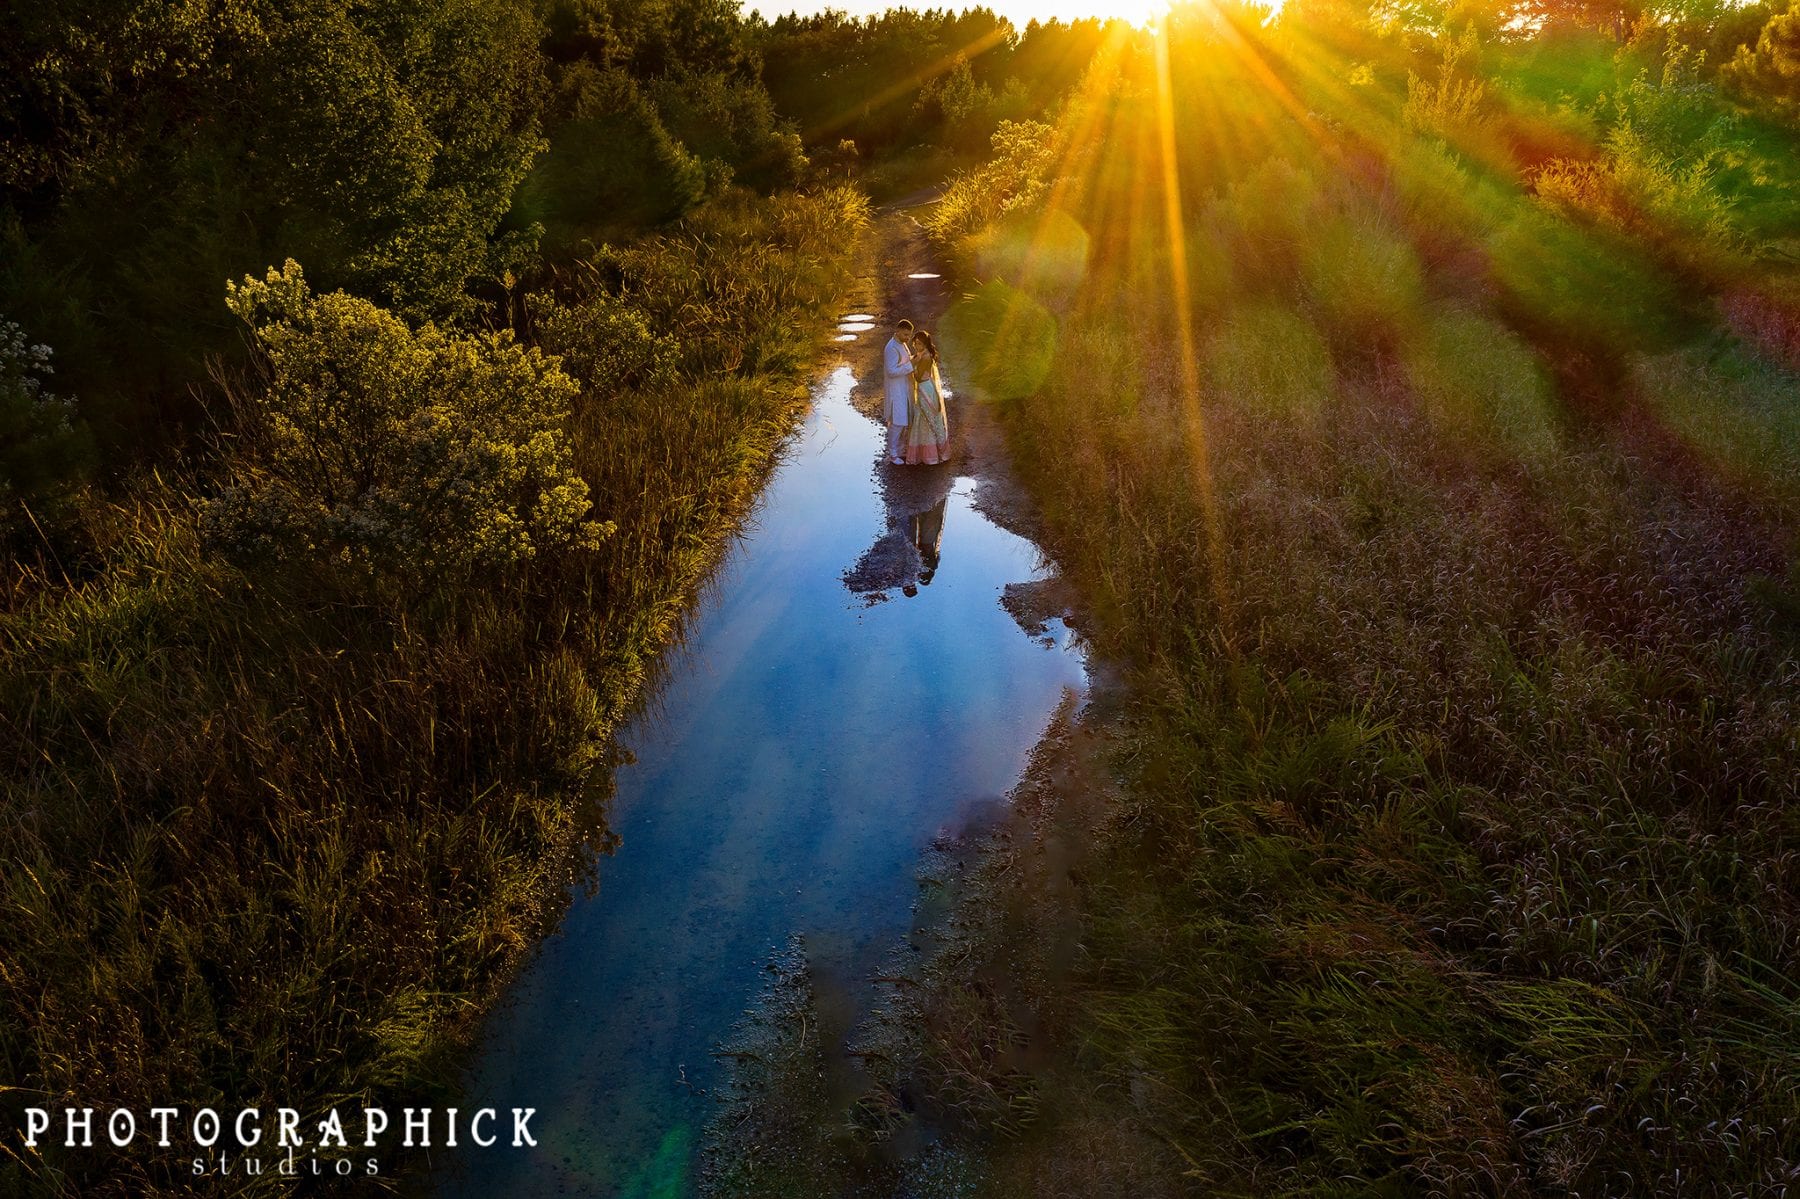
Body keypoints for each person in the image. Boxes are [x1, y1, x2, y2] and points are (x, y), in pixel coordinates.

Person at [903, 329, 950, 466]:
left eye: (920, 344)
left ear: (926, 344)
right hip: (925, 387)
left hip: (926, 389)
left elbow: (917, 377)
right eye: (916, 343)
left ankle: (932, 455)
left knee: (925, 418)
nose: (918, 346)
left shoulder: (926, 357)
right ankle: (925, 453)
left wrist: (911, 365)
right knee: (923, 418)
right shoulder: (920, 354)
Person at [883, 319, 915, 466]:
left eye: (909, 335)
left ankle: (900, 449)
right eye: (905, 334)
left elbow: (905, 361)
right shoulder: (891, 347)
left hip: (904, 388)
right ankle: (893, 453)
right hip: (896, 390)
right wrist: (910, 367)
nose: (907, 338)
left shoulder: (901, 344)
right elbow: (891, 371)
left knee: (904, 420)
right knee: (897, 422)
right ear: (897, 330)